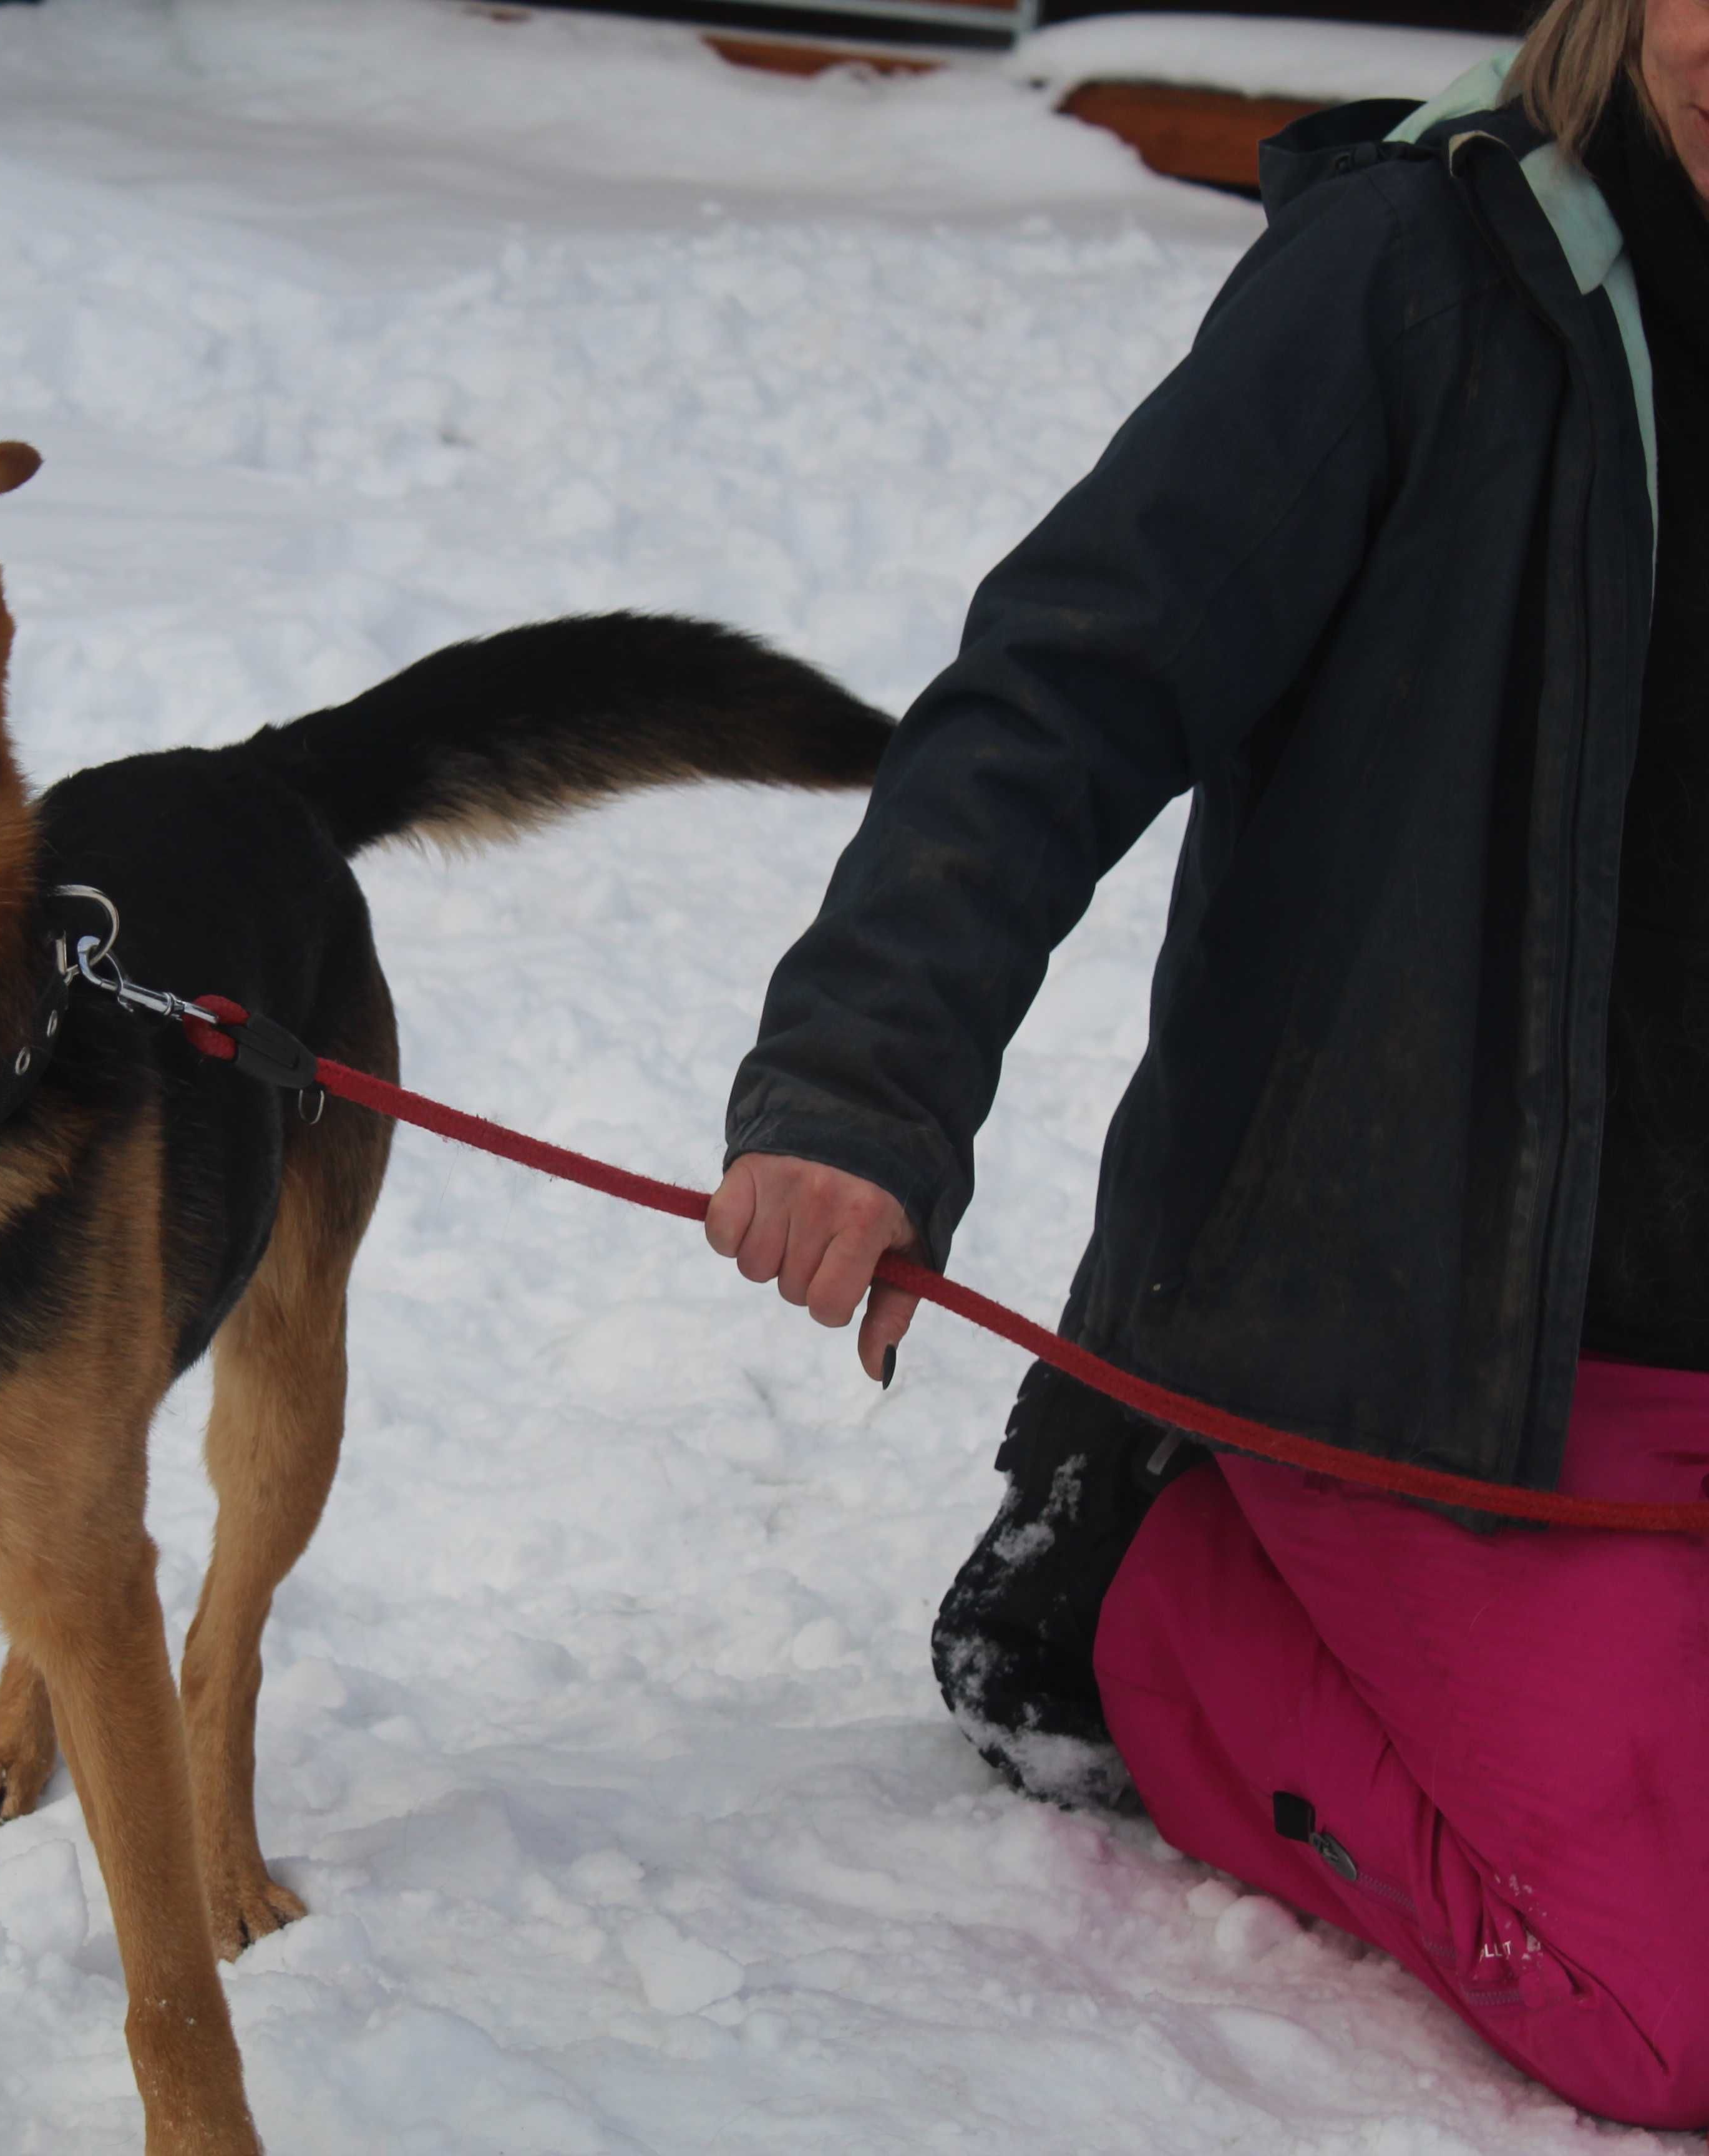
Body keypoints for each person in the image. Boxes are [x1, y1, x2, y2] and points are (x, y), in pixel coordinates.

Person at [703, 0, 1709, 2127]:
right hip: (1425, 1339)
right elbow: (1071, 680)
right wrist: (864, 1082)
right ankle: (1165, 1600)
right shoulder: (1420, 274)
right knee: (1673, 1995)